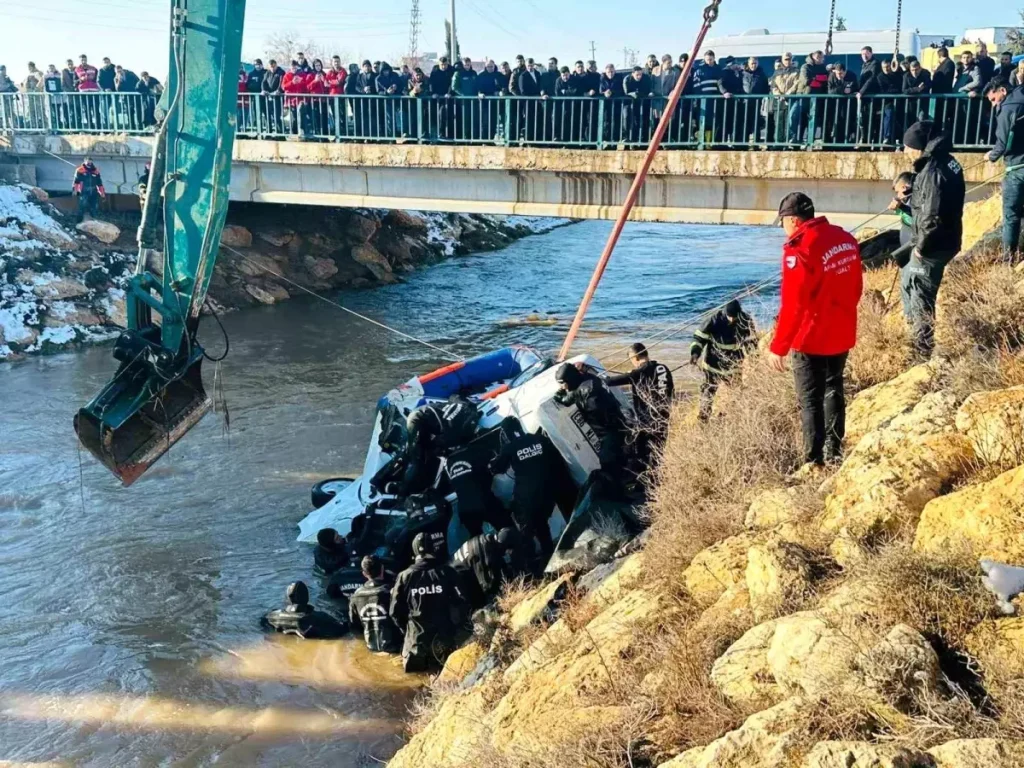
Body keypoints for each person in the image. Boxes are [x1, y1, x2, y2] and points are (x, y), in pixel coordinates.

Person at [767, 192, 863, 470]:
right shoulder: (844, 238)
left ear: (794, 221)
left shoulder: (799, 249)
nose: (783, 228)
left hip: (810, 337)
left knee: (810, 400)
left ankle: (813, 460)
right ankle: (835, 452)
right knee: (834, 389)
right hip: (841, 329)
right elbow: (856, 286)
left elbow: (793, 304)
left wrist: (779, 346)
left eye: (783, 222)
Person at [901, 121, 965, 360]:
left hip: (932, 246)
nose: (905, 152)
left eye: (908, 146)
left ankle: (921, 353)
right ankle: (917, 343)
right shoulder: (947, 162)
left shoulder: (932, 171)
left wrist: (920, 247)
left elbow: (933, 215)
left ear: (919, 146)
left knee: (919, 296)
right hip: (946, 240)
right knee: (908, 280)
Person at [489, 416, 576, 565]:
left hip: (528, 494)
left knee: (532, 527)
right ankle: (564, 547)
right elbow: (556, 456)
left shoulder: (509, 447)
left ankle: (538, 562)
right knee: (553, 519)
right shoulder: (540, 439)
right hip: (551, 489)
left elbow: (498, 468)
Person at [390, 532, 468, 672]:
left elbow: (394, 612)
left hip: (415, 645)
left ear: (414, 551)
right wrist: (456, 627)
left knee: (414, 688)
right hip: (442, 641)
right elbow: (462, 601)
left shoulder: (404, 576)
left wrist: (407, 631)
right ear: (434, 549)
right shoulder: (447, 572)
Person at [553, 363, 628, 492]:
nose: (562, 386)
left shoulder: (586, 391)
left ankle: (619, 493)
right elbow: (571, 397)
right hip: (616, 424)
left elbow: (580, 400)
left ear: (570, 379)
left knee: (608, 462)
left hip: (609, 429)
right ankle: (623, 478)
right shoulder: (588, 379)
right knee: (616, 457)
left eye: (563, 383)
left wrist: (561, 397)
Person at [605, 342, 675, 460]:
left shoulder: (639, 373)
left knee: (643, 455)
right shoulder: (663, 368)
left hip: (648, 421)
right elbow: (671, 391)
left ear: (635, 357)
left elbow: (610, 381)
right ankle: (657, 476)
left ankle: (644, 476)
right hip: (664, 417)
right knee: (658, 453)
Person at [690, 299, 757, 421]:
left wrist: (754, 358)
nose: (732, 319)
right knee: (707, 393)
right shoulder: (713, 320)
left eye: (734, 317)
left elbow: (751, 341)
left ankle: (733, 417)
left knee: (736, 393)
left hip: (734, 365)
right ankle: (703, 419)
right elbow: (699, 338)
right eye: (730, 317)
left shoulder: (745, 320)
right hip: (713, 364)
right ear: (725, 313)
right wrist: (695, 354)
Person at [986, 76, 1024, 263]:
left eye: (993, 99)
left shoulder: (1008, 108)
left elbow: (1003, 144)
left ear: (1002, 90)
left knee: (1011, 215)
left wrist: (991, 156)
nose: (994, 105)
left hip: (1017, 167)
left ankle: (1009, 258)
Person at [444, 442, 513, 537]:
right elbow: (497, 466)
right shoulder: (476, 451)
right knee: (509, 530)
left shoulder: (448, 462)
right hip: (484, 501)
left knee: (478, 544)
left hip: (465, 510)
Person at [452, 527, 528, 609]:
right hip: (456, 579)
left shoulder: (487, 540)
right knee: (482, 603)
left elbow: (498, 564)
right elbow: (487, 585)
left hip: (462, 571)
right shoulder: (484, 553)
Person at [349, 555, 402, 653]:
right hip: (395, 648)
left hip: (371, 648)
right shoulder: (391, 592)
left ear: (364, 574)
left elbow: (355, 627)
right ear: (382, 569)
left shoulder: (355, 596)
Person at [260, 581, 348, 638]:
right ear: (307, 598)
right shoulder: (319, 618)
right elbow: (342, 630)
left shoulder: (272, 616)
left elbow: (263, 624)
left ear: (288, 599)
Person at [691, 50, 724, 144]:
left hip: (715, 100)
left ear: (714, 58)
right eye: (708, 59)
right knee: (701, 121)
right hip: (702, 100)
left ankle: (709, 142)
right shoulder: (699, 69)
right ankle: (701, 142)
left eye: (711, 59)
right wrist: (699, 97)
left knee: (713, 122)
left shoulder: (718, 69)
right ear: (704, 59)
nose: (709, 61)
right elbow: (696, 85)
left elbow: (720, 83)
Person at [771, 52, 801, 145]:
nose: (788, 61)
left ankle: (787, 143)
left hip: (790, 100)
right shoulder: (777, 72)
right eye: (786, 59)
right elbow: (773, 85)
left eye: (789, 59)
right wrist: (778, 95)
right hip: (779, 101)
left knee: (789, 123)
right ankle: (778, 143)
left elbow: (796, 84)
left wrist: (787, 95)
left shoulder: (796, 71)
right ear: (782, 60)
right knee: (778, 123)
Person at [798, 50, 828, 142]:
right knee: (802, 120)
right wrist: (819, 80)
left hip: (819, 99)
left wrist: (815, 78)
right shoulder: (805, 67)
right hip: (806, 97)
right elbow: (806, 81)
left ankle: (810, 141)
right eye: (821, 58)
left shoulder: (822, 67)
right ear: (816, 57)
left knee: (814, 120)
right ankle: (799, 141)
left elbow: (826, 80)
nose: (823, 59)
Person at [827, 62, 856, 144]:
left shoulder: (851, 75)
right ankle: (836, 141)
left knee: (847, 122)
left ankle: (846, 141)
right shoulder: (831, 76)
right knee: (835, 122)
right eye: (837, 73)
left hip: (848, 104)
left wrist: (851, 90)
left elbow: (856, 87)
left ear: (845, 71)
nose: (839, 75)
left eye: (841, 73)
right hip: (834, 103)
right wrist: (843, 90)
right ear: (834, 71)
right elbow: (829, 91)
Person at [623, 66, 654, 144]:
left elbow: (649, 89)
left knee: (645, 121)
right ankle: (630, 140)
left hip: (643, 103)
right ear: (632, 74)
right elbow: (626, 92)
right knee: (630, 121)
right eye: (637, 75)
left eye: (640, 74)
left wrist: (647, 93)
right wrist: (636, 94)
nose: (639, 76)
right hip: (630, 103)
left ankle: (644, 141)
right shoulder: (627, 79)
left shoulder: (646, 78)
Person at [888, 171, 915, 251]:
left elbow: (918, 218)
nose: (898, 196)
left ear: (904, 188)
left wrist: (901, 207)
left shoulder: (917, 198)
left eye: (897, 192)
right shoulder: (908, 199)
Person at [72, 157, 105, 222]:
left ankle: (94, 220)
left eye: (90, 162)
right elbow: (76, 181)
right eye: (88, 162)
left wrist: (102, 192)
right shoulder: (80, 170)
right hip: (84, 190)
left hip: (93, 190)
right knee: (82, 206)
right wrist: (75, 190)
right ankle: (79, 221)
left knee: (94, 206)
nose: (89, 164)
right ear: (84, 162)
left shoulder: (95, 171)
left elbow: (99, 183)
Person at [600, 63, 624, 144]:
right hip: (606, 104)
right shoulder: (602, 78)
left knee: (616, 121)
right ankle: (607, 140)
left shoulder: (619, 78)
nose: (610, 74)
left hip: (617, 103)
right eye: (608, 72)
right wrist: (604, 93)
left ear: (614, 71)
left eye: (612, 72)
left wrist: (612, 92)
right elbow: (600, 90)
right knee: (607, 121)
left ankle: (615, 141)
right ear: (605, 72)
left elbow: (622, 90)